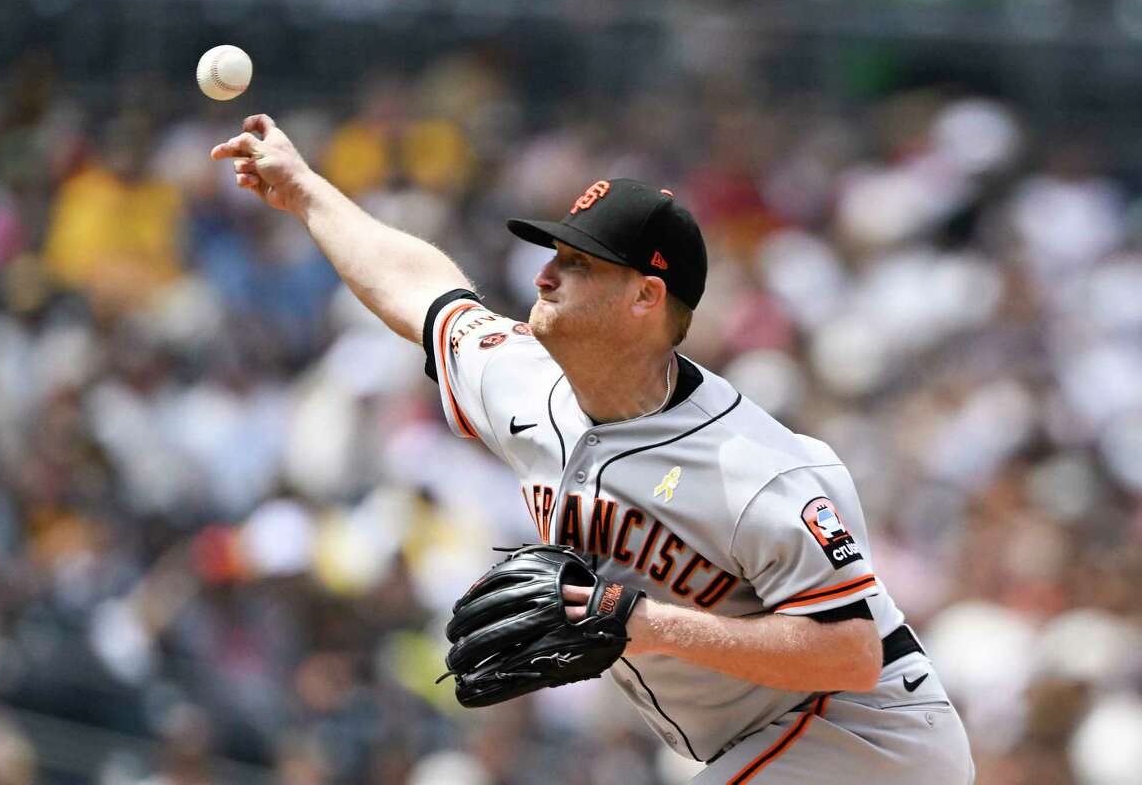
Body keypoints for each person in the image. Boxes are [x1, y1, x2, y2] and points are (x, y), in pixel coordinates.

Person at [211, 115, 975, 784]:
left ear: (647, 297)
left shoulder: (759, 467)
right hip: (756, 746)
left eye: (577, 262)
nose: (545, 272)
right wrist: (305, 191)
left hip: (865, 738)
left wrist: (638, 620)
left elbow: (851, 655)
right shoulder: (523, 383)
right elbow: (424, 293)